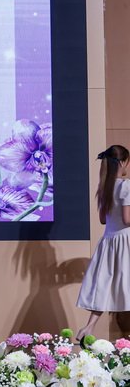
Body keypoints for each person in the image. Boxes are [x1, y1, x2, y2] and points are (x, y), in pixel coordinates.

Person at [76, 144, 130, 340]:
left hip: (109, 241)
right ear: (123, 162)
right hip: (126, 241)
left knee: (106, 285)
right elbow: (127, 219)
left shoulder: (104, 187)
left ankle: (88, 328)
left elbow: (102, 219)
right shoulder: (126, 186)